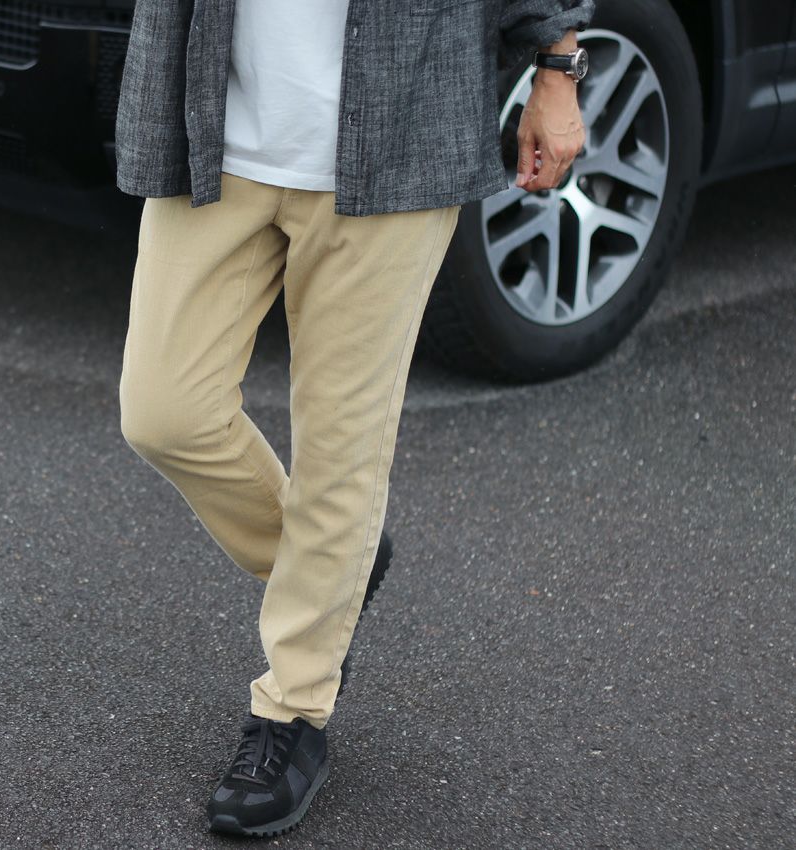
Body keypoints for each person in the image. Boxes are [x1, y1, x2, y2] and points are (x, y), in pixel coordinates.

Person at [115, 0, 595, 838]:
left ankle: (292, 712)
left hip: (395, 136)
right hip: (216, 121)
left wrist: (557, 68)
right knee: (164, 411)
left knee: (341, 450)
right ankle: (337, 565)